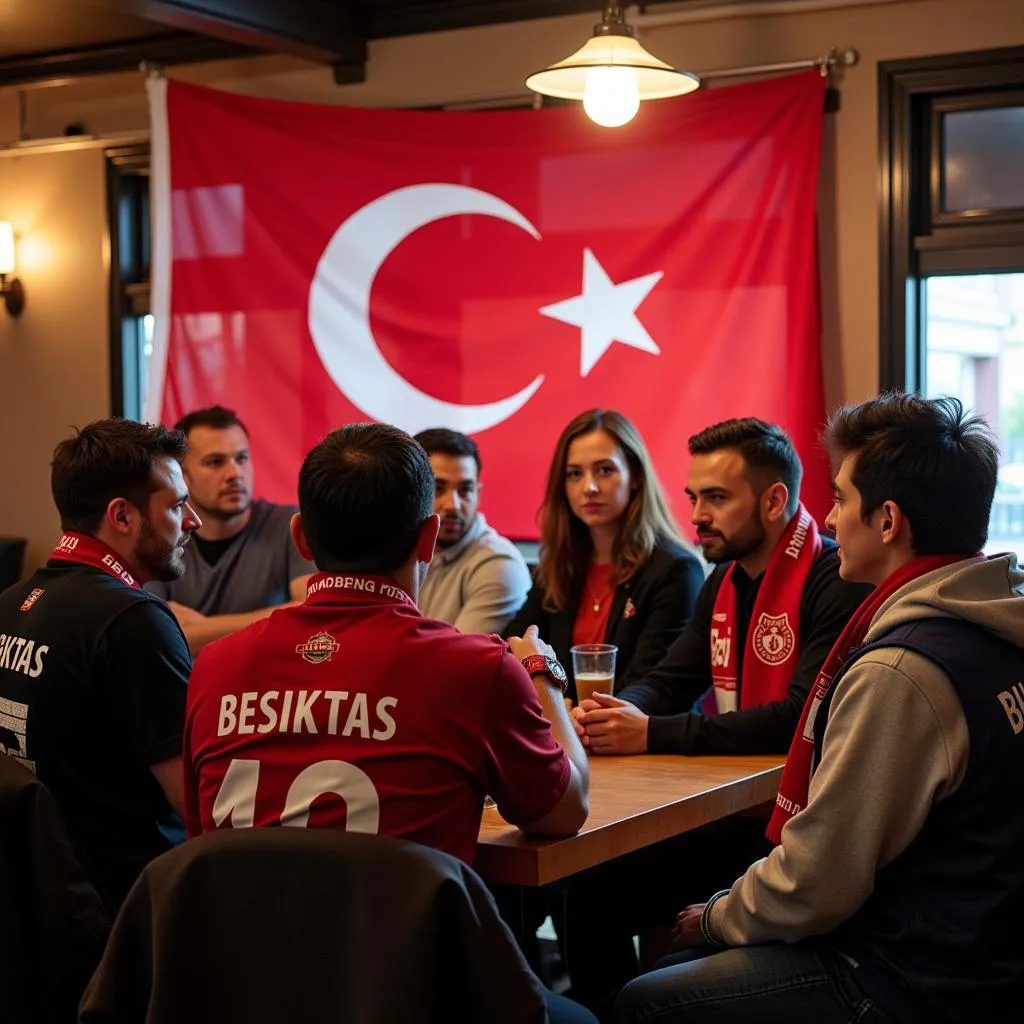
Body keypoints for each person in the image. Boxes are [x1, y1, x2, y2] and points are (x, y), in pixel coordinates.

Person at [613, 393, 1024, 1024]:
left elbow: (817, 885)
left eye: (838, 498)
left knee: (644, 995)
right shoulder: (995, 628)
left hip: (911, 978)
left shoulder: (901, 670)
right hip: (981, 949)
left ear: (887, 521)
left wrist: (717, 916)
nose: (829, 521)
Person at [183, 421, 595, 1023]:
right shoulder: (477, 667)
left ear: (300, 536)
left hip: (241, 988)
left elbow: (203, 844)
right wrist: (541, 670)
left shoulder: (213, 668)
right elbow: (565, 812)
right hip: (411, 990)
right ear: (428, 538)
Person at [563, 417, 870, 1014]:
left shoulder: (835, 578)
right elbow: (674, 679)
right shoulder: (725, 577)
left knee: (653, 953)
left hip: (793, 828)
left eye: (717, 498)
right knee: (587, 892)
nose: (697, 514)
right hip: (734, 811)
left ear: (775, 499)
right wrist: (616, 712)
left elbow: (795, 719)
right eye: (693, 497)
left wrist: (650, 732)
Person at [0, 418, 200, 912]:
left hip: (41, 902)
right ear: (122, 516)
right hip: (128, 912)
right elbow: (198, 803)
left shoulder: (9, 603)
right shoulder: (132, 621)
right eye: (176, 505)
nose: (192, 519)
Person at [505, 409, 704, 704]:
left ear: (635, 477)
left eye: (605, 470)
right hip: (567, 737)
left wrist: (568, 712)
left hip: (643, 742)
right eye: (575, 474)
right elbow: (514, 647)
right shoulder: (559, 566)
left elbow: (653, 684)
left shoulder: (675, 569)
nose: (589, 487)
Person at [146, 405, 314, 654]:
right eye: (215, 462)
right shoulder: (163, 533)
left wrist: (204, 629)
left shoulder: (290, 523)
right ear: (183, 475)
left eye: (242, 458)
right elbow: (155, 636)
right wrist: (273, 621)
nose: (234, 473)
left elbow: (310, 613)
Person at [414, 427, 531, 634]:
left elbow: (456, 660)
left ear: (478, 492)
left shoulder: (498, 564)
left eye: (465, 490)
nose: (453, 505)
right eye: (438, 489)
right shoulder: (395, 552)